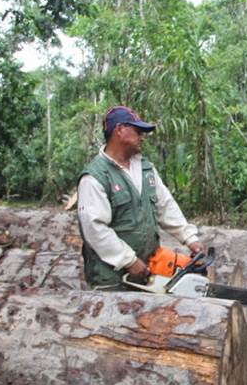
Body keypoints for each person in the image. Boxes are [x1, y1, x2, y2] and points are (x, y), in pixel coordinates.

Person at [77, 105, 205, 290]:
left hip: (147, 272)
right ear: (119, 130)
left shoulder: (145, 168)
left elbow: (165, 206)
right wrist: (128, 260)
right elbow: (94, 228)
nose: (142, 137)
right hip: (111, 279)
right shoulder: (95, 178)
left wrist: (190, 238)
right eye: (137, 131)